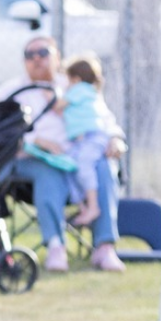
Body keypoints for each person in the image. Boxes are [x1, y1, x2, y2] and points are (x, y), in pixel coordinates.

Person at [0, 35, 125, 272]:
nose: (36, 59)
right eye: (29, 55)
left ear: (57, 56)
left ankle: (104, 247)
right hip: (33, 161)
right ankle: (56, 246)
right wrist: (36, 140)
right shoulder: (11, 91)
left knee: (104, 165)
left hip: (78, 157)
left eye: (43, 53)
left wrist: (115, 139)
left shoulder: (75, 85)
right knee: (50, 171)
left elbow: (104, 120)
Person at [57, 55, 114, 228]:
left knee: (84, 166)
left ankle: (93, 206)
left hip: (92, 137)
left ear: (76, 78)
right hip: (80, 141)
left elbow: (57, 106)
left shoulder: (79, 89)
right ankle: (83, 206)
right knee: (69, 167)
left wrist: (49, 96)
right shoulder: (90, 94)